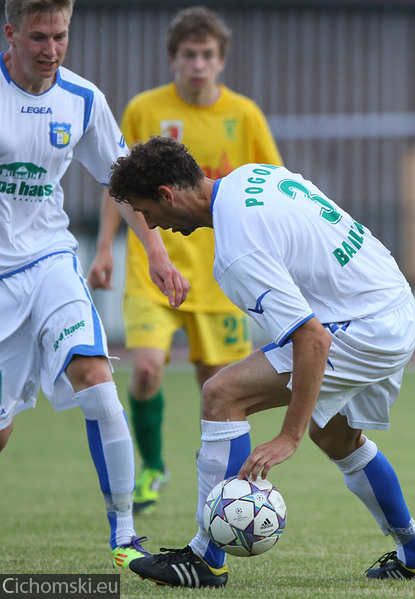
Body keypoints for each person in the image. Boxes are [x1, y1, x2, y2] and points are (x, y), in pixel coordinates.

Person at [106, 136, 415, 587]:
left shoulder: (236, 251)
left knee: (222, 393)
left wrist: (289, 436)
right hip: (391, 301)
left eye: (146, 211)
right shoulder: (252, 175)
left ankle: (203, 558)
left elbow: (312, 341)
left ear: (167, 196)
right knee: (336, 437)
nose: (150, 223)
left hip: (361, 325)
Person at [0, 0, 189, 569]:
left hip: (52, 260)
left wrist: (154, 249)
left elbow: (124, 180)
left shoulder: (82, 100)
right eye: (38, 38)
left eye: (60, 36)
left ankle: (126, 537)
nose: (51, 50)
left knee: (98, 380)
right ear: (10, 33)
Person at [88, 6, 282, 516]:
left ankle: (229, 489)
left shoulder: (244, 115)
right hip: (150, 268)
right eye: (189, 54)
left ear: (221, 61)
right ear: (173, 58)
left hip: (221, 279)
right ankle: (153, 466)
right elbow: (119, 189)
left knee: (220, 390)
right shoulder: (143, 109)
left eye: (208, 55)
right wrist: (106, 246)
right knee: (147, 369)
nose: (198, 64)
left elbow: (271, 184)